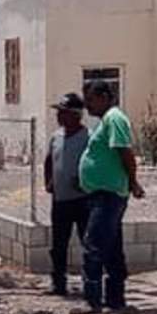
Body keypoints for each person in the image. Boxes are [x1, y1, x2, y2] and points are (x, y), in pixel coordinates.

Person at [77, 80, 145, 313]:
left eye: (91, 99)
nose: (87, 105)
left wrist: (133, 181)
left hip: (109, 194)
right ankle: (115, 298)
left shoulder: (114, 118)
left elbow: (125, 152)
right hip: (103, 193)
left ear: (105, 97)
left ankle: (92, 300)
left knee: (93, 246)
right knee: (112, 248)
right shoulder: (106, 121)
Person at [43, 92, 90, 296]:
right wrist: (48, 182)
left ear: (76, 115)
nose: (59, 116)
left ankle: (91, 282)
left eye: (63, 112)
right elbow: (49, 160)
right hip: (60, 199)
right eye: (59, 112)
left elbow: (94, 165)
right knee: (58, 244)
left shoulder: (88, 138)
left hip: (83, 200)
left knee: (87, 242)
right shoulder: (57, 136)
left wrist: (85, 182)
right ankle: (58, 282)